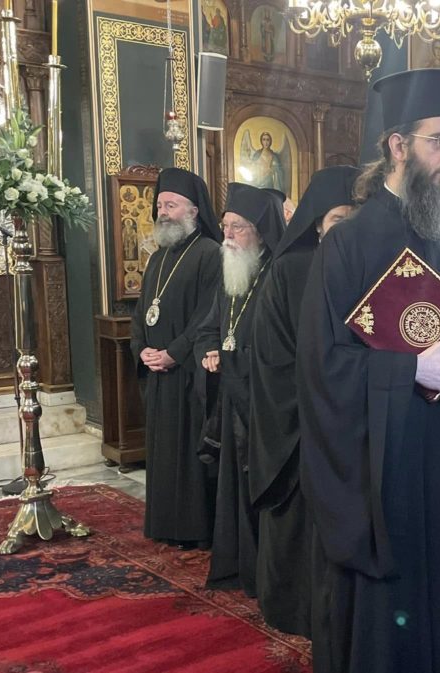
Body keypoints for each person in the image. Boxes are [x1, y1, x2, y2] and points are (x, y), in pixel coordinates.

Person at [295, 68, 440, 673]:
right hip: (383, 459)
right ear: (398, 145)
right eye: (437, 141)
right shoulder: (349, 243)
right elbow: (321, 366)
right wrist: (407, 370)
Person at [248, 165, 358, 638]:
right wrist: (320, 407)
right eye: (338, 219)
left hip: (356, 425)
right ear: (316, 223)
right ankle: (296, 609)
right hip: (302, 430)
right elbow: (273, 360)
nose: (347, 230)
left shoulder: (373, 267)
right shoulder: (290, 270)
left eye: (357, 218)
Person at [195, 183, 285, 596]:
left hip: (262, 400)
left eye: (238, 228)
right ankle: (236, 565)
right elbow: (210, 326)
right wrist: (209, 348)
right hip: (231, 394)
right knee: (233, 487)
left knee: (258, 486)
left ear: (262, 232)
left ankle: (262, 573)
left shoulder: (276, 273)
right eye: (225, 226)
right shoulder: (231, 271)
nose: (227, 236)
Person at [130, 167, 222, 549]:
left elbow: (209, 315)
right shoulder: (157, 258)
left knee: (188, 450)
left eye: (172, 204)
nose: (163, 212)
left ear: (195, 210)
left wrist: (174, 353)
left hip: (188, 373)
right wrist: (143, 350)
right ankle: (165, 523)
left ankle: (194, 529)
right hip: (159, 373)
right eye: (160, 205)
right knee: (164, 453)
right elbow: (141, 314)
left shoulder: (209, 254)